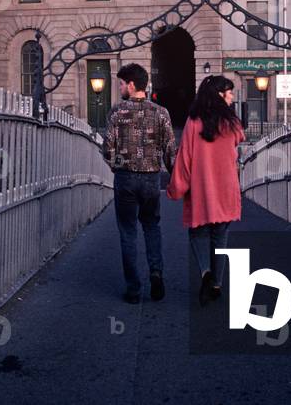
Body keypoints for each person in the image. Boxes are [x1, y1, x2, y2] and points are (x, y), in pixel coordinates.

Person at [167, 75, 246, 306]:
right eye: (229, 92)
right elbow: (239, 141)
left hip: (201, 189)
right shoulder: (232, 123)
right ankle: (217, 284)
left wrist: (176, 187)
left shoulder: (193, 122)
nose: (232, 96)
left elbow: (185, 158)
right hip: (226, 187)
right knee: (220, 235)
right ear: (219, 94)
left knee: (198, 232)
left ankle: (205, 272)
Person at [103, 63, 176, 304]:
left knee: (128, 232)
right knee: (151, 226)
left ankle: (134, 289)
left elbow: (107, 148)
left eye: (122, 83)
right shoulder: (161, 112)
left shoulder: (116, 112)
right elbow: (170, 150)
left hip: (125, 178)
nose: (120, 88)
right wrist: (172, 173)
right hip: (151, 179)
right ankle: (156, 272)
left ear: (131, 84)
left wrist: (116, 166)